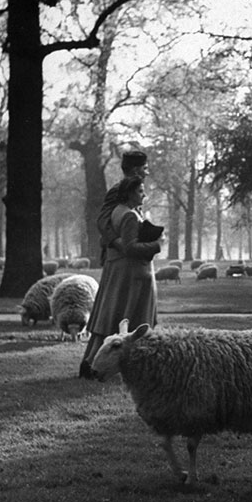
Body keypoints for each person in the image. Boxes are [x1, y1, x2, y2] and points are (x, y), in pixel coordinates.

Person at [79, 175, 161, 378]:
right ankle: (138, 366)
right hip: (134, 275)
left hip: (123, 271)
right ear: (130, 193)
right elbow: (131, 247)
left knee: (115, 314)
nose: (144, 194)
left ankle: (94, 362)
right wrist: (157, 245)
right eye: (140, 191)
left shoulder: (118, 211)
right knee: (136, 317)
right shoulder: (129, 216)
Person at [97, 150, 148, 265]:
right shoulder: (118, 191)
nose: (147, 173)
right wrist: (118, 242)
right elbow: (102, 221)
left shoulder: (136, 192)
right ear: (136, 171)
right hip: (120, 259)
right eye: (145, 168)